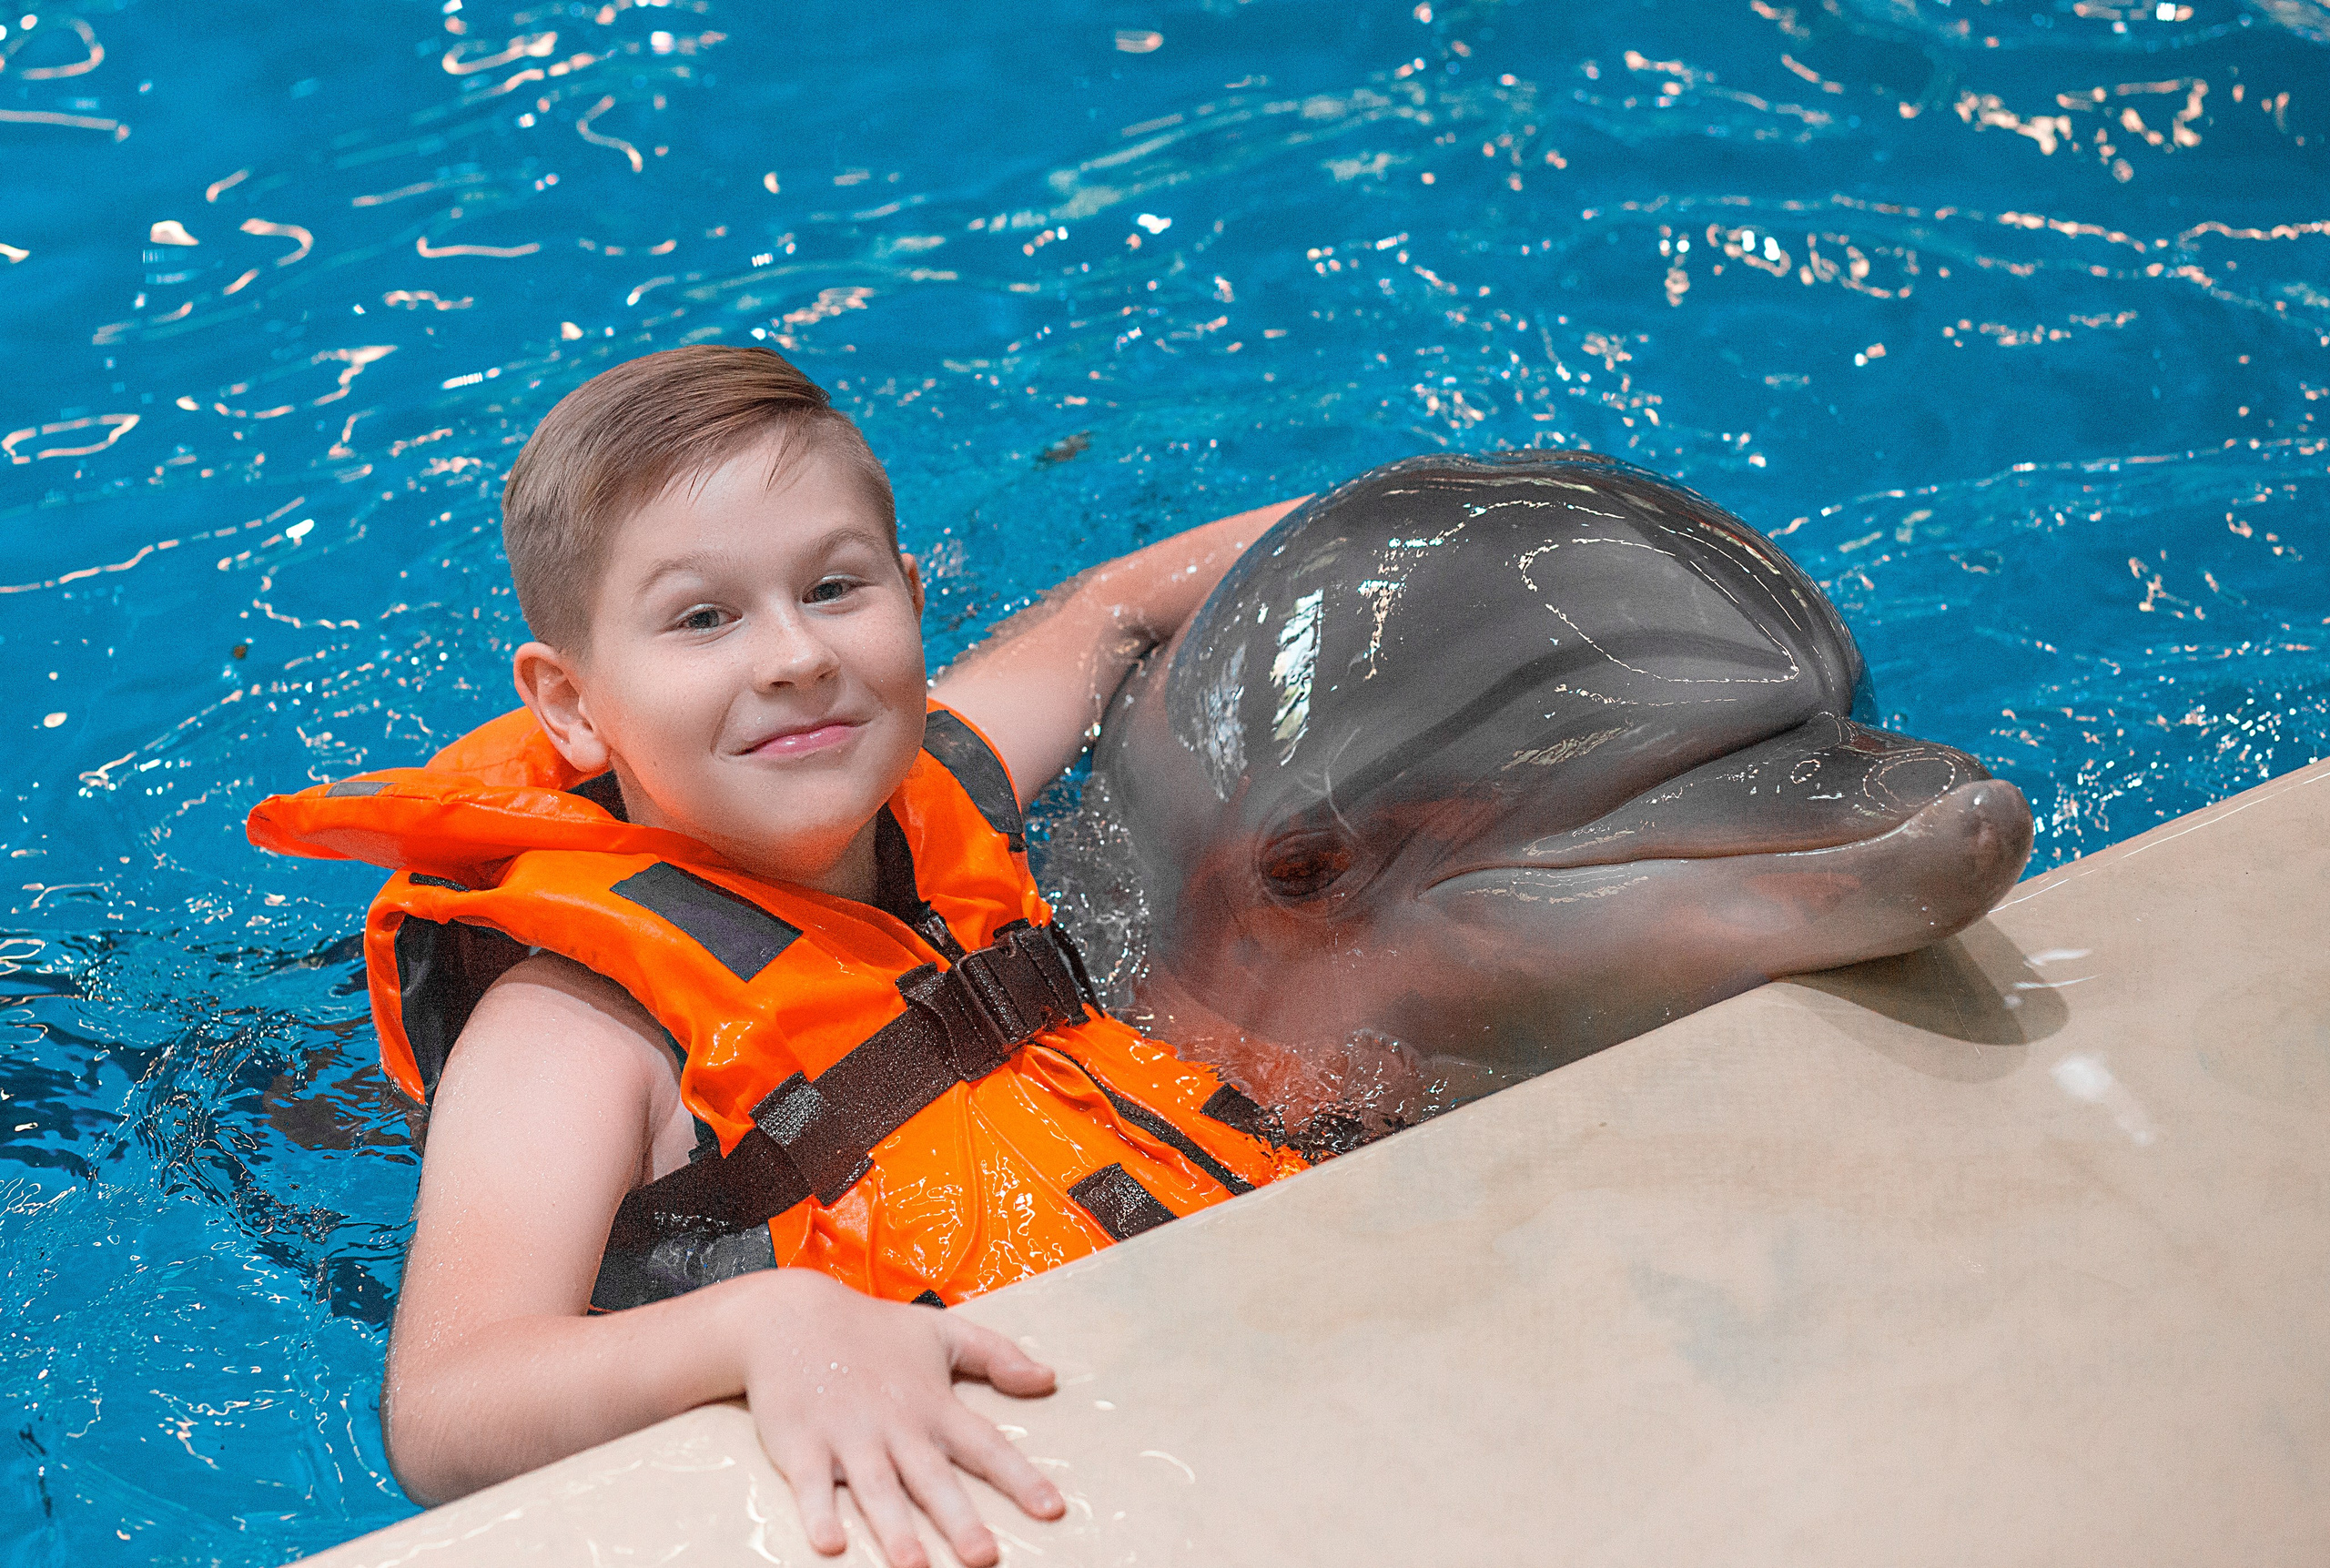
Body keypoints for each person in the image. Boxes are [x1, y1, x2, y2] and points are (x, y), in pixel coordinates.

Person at [245, 347, 1308, 1568]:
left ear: (910, 599)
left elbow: (1110, 614)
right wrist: (764, 1327)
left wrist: (1445, 516)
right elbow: (444, 1408)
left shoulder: (943, 784)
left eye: (838, 589)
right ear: (572, 706)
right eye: (704, 618)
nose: (796, 656)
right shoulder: (578, 1026)